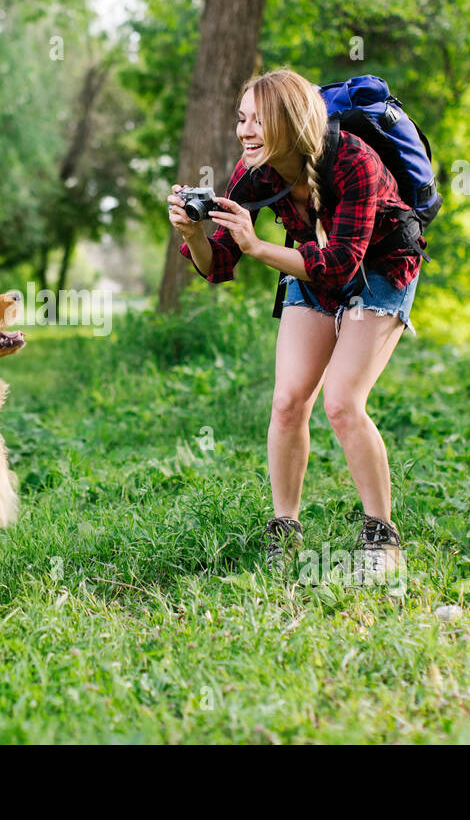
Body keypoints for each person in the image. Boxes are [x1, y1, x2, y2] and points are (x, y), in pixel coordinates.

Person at [166, 68, 426, 585]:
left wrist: (259, 247)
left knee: (343, 402)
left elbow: (340, 268)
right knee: (288, 403)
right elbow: (218, 264)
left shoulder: (355, 161)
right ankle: (284, 529)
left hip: (378, 265)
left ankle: (382, 535)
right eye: (242, 119)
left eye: (259, 121)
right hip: (311, 260)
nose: (246, 132)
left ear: (291, 120)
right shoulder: (254, 172)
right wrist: (194, 233)